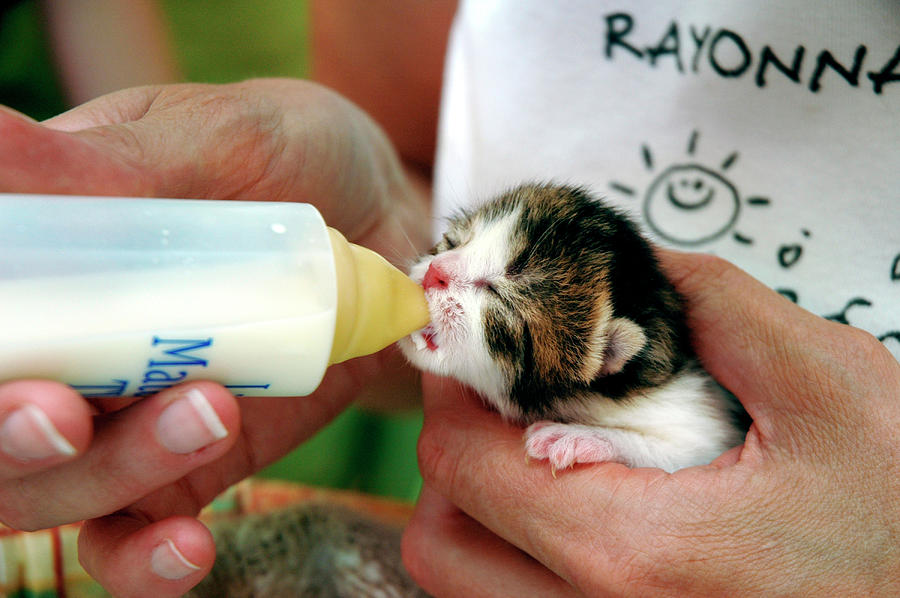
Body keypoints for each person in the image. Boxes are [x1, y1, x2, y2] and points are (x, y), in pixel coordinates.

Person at [0, 1, 897, 596]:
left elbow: (695, 443)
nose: (434, 271)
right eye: (463, 238)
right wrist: (389, 211)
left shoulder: (658, 391)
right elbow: (423, 215)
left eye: (495, 292)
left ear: (607, 360)